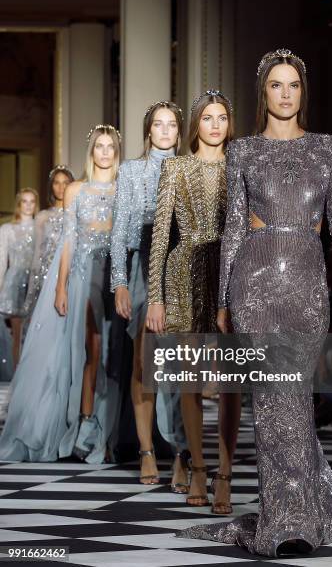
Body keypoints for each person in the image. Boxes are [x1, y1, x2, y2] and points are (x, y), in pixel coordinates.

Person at [176, 49, 332, 555]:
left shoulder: (329, 148)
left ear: (302, 92)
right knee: (270, 401)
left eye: (293, 86)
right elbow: (235, 228)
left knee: (297, 399)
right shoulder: (243, 151)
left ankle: (304, 506)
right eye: (275, 86)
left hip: (308, 281)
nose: (285, 94)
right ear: (262, 91)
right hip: (255, 282)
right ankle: (286, 522)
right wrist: (223, 298)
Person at [146, 90, 242, 514]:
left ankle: (225, 473)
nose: (216, 124)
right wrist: (155, 296)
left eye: (222, 117)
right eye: (208, 117)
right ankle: (197, 466)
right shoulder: (175, 167)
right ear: (196, 125)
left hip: (230, 272)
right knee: (189, 378)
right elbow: (160, 235)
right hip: (183, 272)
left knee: (229, 383)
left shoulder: (241, 166)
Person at [0, 125, 120, 463]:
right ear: (92, 152)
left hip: (115, 275)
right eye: (100, 146)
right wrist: (61, 285)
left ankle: (106, 427)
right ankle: (81, 422)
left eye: (111, 146)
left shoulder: (124, 188)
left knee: (111, 353)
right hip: (83, 275)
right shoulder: (77, 190)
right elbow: (69, 240)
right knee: (86, 349)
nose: (106, 152)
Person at [111, 101, 189, 490]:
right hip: (142, 264)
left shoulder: (190, 167)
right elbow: (119, 231)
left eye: (171, 124)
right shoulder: (131, 170)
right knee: (145, 363)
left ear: (178, 130)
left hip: (183, 267)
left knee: (180, 363)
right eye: (157, 124)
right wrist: (120, 282)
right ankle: (145, 450)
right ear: (148, 130)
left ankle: (180, 453)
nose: (164, 130)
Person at [23, 166, 75, 319]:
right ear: (51, 186)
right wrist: (32, 288)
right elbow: (37, 254)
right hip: (45, 275)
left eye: (65, 182)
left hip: (70, 274)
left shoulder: (77, 215)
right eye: (56, 183)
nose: (61, 187)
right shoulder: (42, 217)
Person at [0, 188, 39, 368]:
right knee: (17, 333)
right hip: (14, 283)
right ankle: (17, 375)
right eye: (25, 201)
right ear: (19, 204)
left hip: (35, 282)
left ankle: (30, 375)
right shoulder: (7, 229)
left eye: (32, 201)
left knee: (34, 333)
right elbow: (1, 260)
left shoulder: (41, 227)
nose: (28, 205)